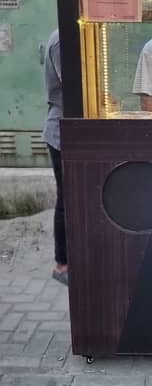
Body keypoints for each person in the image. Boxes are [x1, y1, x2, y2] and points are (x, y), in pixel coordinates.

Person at [42, 29, 68, 285]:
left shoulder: (73, 34)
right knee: (66, 200)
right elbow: (72, 87)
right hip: (61, 133)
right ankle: (62, 265)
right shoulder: (62, 40)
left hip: (70, 133)